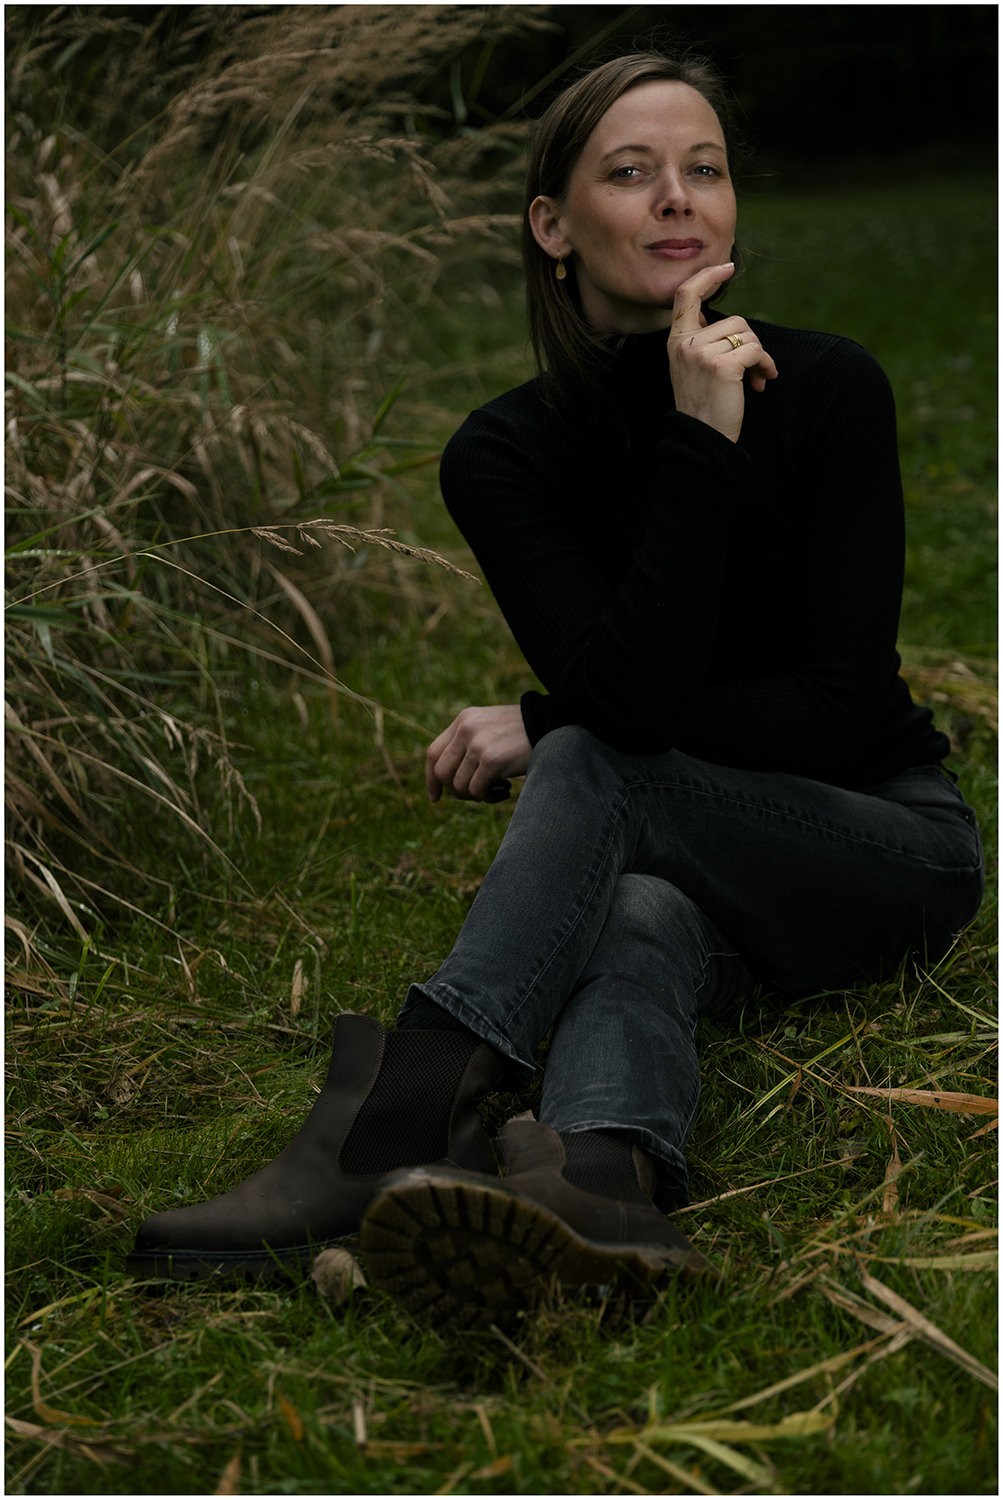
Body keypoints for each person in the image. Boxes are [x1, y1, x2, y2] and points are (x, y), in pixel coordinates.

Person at [128, 52, 984, 1328]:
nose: (676, 200)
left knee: (588, 757)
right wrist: (691, 447)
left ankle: (402, 1115)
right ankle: (599, 1189)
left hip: (877, 849)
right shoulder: (502, 456)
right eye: (630, 174)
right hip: (692, 875)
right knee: (629, 911)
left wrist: (544, 717)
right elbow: (628, 699)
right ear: (551, 226)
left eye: (704, 170)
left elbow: (832, 711)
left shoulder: (828, 390)